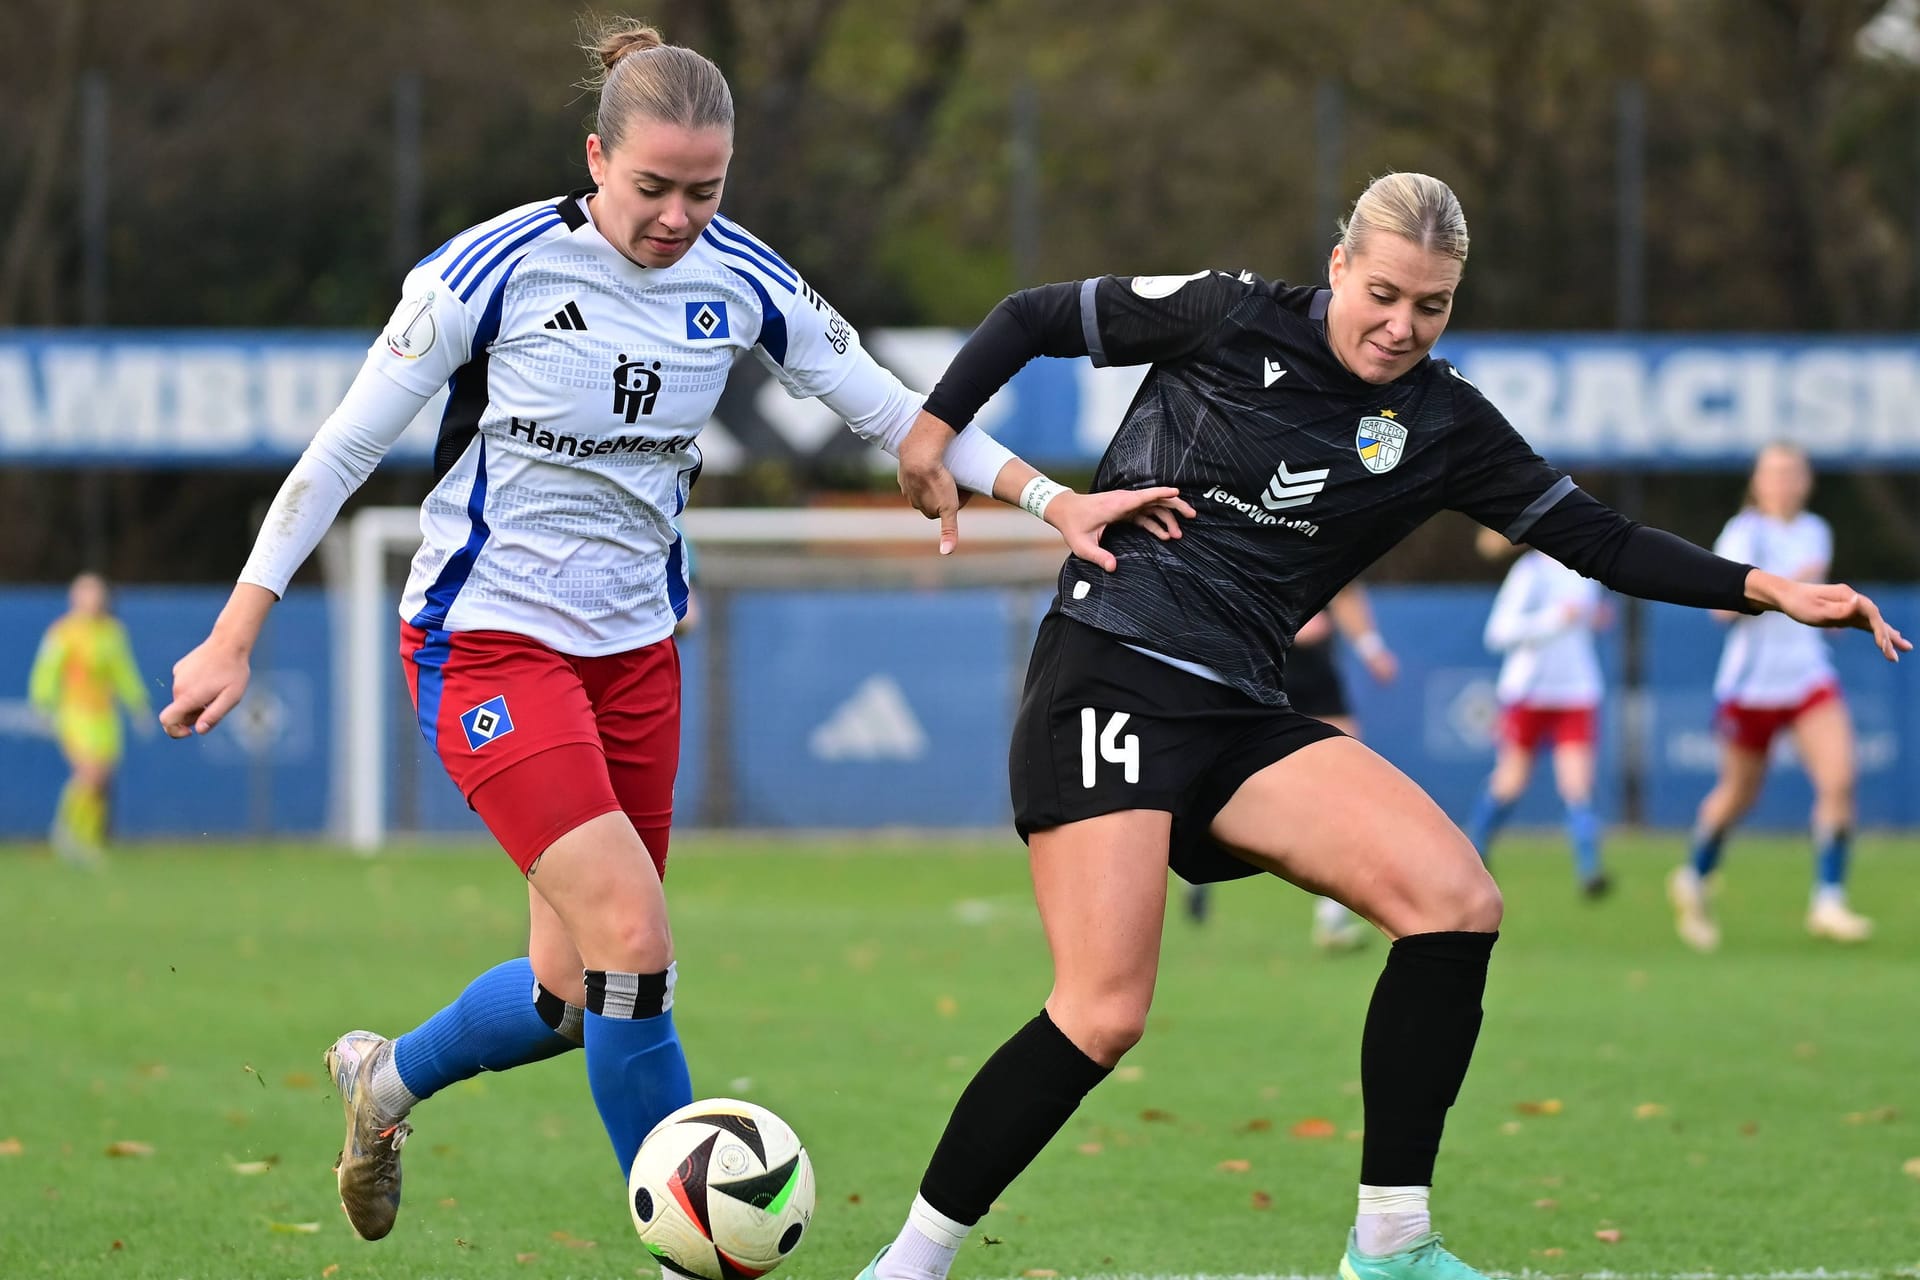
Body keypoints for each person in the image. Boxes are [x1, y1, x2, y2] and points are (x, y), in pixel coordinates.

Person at [157, 21, 1181, 1246]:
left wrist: (1056, 501)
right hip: (485, 643)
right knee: (636, 944)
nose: (677, 216)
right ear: (596, 157)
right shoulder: (487, 273)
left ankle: (387, 1081)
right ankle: (697, 1249)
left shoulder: (744, 277)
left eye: (705, 189)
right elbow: (337, 458)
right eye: (651, 187)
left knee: (572, 995)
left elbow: (900, 413)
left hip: (636, 653)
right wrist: (233, 631)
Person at [866, 172, 1906, 1280]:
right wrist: (931, 432)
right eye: (1385, 293)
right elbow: (1034, 315)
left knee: (1457, 901)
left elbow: (1597, 538)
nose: (1403, 325)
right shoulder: (1224, 312)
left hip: (1239, 711)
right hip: (1111, 667)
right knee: (1103, 1008)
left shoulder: (1443, 422)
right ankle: (911, 1262)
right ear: (1338, 267)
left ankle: (1392, 1240)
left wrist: (1766, 586)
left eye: (1433, 305)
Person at [1668, 443, 1872, 950]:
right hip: (1750, 688)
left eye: (1792, 472)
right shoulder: (1744, 533)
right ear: (1758, 483)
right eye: (1773, 473)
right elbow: (1720, 611)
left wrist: (1833, 617)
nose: (1784, 482)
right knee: (1739, 797)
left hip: (1806, 679)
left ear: (1807, 481)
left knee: (1840, 780)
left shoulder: (1815, 530)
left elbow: (1815, 606)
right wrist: (1785, 588)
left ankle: (1829, 899)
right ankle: (1693, 877)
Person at [1183, 582, 1398, 951]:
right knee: (1232, 782)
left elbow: (1346, 590)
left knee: (1346, 789)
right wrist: (1286, 624)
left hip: (1317, 672)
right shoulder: (1242, 534)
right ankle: (1196, 867)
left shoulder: (1328, 531)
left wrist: (1370, 647)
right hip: (1263, 666)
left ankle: (1332, 918)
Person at [1462, 526, 1611, 896]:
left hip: (1576, 691)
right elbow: (1498, 633)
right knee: (1510, 781)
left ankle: (1589, 868)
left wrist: (1586, 619)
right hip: (1527, 693)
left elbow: (1584, 618)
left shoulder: (1583, 572)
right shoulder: (1529, 573)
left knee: (1577, 784)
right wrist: (1554, 620)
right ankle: (1474, 849)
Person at [28, 572, 150, 865]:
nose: (92, 600)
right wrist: (43, 704)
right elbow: (46, 671)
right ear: (74, 598)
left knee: (101, 782)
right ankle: (64, 831)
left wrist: (138, 706)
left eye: (97, 593)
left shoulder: (113, 633)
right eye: (86, 593)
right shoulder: (62, 633)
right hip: (75, 713)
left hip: (104, 716)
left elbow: (124, 672)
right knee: (89, 773)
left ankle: (87, 840)